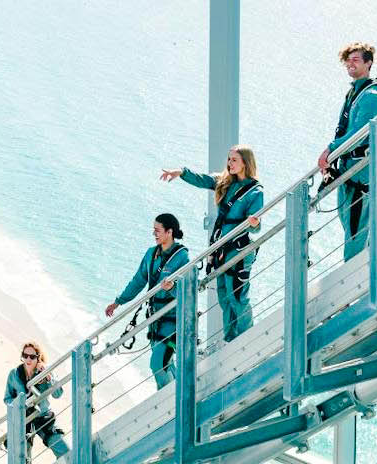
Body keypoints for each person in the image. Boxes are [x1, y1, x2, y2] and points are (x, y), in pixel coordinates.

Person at [160, 147, 264, 342]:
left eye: (234, 160)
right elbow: (202, 179)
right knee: (224, 297)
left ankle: (248, 338)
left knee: (238, 297)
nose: (230, 163)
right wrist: (181, 172)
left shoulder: (255, 191)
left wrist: (254, 223)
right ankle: (231, 339)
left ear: (245, 163)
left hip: (239, 250)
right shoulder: (224, 182)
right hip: (221, 249)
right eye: (229, 159)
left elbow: (257, 227)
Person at [105, 213, 191, 389]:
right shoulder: (151, 254)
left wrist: (172, 288)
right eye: (154, 230)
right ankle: (177, 395)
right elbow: (138, 280)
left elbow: (190, 290)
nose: (154, 234)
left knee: (157, 364)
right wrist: (118, 301)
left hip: (173, 322)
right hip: (154, 320)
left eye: (158, 231)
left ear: (169, 232)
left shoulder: (182, 257)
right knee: (166, 363)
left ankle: (166, 401)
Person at [318, 42, 377, 260]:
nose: (350, 63)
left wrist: (330, 150)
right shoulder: (355, 93)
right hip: (348, 173)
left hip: (359, 176)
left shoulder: (371, 97)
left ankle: (353, 282)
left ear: (369, 63)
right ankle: (357, 273)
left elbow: (358, 135)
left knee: (356, 232)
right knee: (350, 227)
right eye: (348, 60)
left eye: (356, 59)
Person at [4, 341, 70, 459]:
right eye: (25, 356)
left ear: (38, 358)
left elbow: (58, 394)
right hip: (23, 419)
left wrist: (48, 378)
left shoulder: (46, 371)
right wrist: (18, 405)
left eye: (32, 357)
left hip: (43, 416)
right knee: (23, 457)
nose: (28, 359)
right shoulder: (14, 374)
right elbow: (7, 398)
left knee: (63, 448)